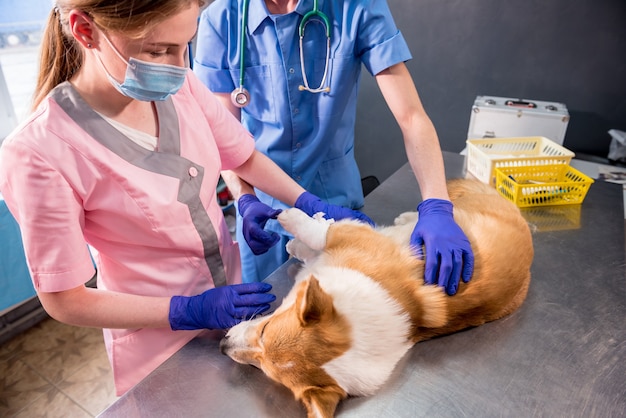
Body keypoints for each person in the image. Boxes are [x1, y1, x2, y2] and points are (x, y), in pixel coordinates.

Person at [0, 0, 369, 396]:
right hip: (159, 346)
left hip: (234, 309)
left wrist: (306, 202)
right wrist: (187, 311)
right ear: (85, 31)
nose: (178, 65)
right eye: (157, 51)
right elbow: (64, 300)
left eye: (185, 45)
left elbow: (242, 156)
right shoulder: (38, 151)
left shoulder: (181, 85)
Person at [193, 0, 474, 292]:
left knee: (340, 317)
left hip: (336, 213)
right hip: (262, 216)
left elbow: (411, 116)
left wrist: (437, 204)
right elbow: (224, 139)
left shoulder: (354, 7)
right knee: (266, 323)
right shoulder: (221, 19)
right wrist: (245, 200)